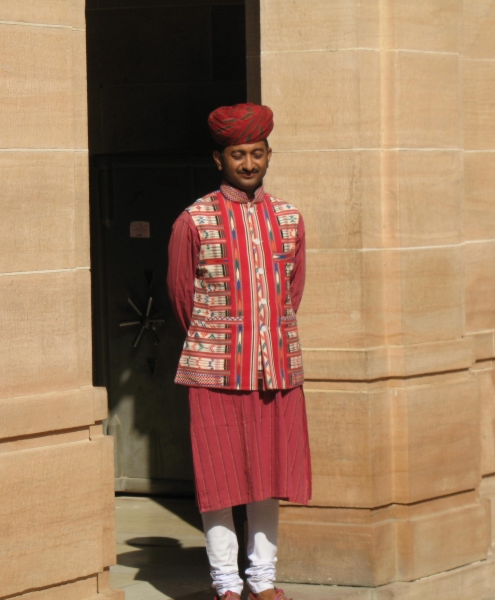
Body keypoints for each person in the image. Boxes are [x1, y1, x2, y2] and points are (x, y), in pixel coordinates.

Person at [167, 103, 311, 600]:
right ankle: (227, 584)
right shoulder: (194, 220)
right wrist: (223, 340)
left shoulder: (290, 218)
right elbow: (182, 293)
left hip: (275, 368)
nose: (248, 164)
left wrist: (263, 337)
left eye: (256, 153)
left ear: (269, 154)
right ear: (218, 158)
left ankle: (264, 581)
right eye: (237, 155)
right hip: (214, 371)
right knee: (220, 479)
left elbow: (293, 290)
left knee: (268, 478)